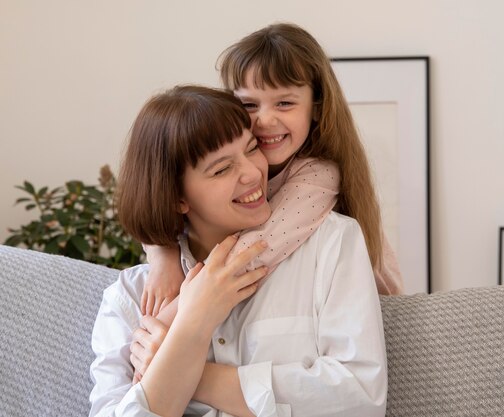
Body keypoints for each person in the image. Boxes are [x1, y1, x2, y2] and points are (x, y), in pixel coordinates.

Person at [89, 85, 387, 416]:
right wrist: (192, 325)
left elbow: (360, 399)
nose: (252, 173)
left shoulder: (330, 244)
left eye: (252, 148)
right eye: (222, 169)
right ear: (177, 198)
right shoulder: (131, 301)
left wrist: (188, 370)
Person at [141, 23, 403, 318]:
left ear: (317, 107)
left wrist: (171, 319)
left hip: (372, 315)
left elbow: (254, 254)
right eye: (249, 104)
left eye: (285, 103)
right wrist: (161, 254)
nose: (265, 120)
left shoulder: (319, 175)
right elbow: (161, 198)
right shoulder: (240, 169)